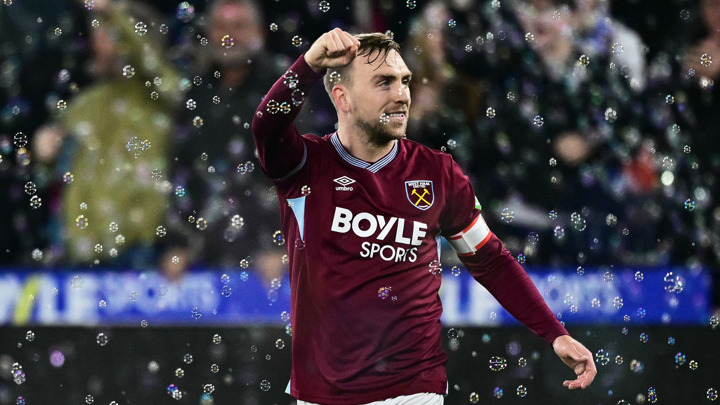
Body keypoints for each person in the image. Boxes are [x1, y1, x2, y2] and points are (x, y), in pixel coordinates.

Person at [251, 28, 596, 404]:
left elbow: (490, 259)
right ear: (342, 97)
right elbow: (266, 126)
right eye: (384, 82)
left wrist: (554, 333)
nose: (401, 94)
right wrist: (309, 64)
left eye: (405, 81)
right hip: (323, 393)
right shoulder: (304, 165)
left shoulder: (438, 173)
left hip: (415, 389)